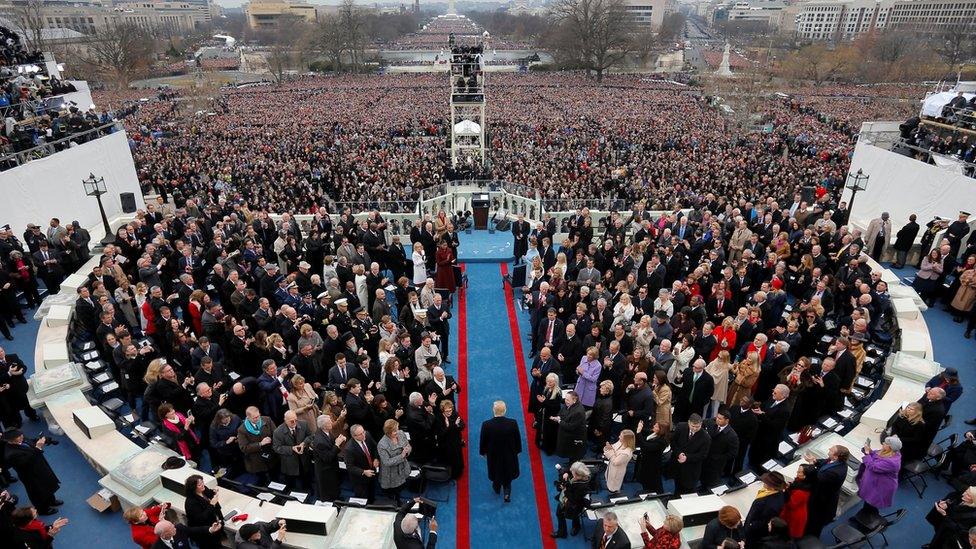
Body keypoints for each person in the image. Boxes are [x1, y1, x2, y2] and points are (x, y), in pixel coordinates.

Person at [3, 430, 61, 515]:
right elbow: (26, 463)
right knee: (38, 492)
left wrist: (47, 440)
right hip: (30, 476)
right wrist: (38, 448)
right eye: (18, 436)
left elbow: (32, 441)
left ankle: (52, 501)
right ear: (11, 440)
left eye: (21, 434)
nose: (22, 436)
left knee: (48, 485)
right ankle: (43, 510)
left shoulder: (22, 439)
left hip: (40, 468)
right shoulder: (10, 454)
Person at [479, 400, 521, 502]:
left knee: (495, 471)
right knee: (508, 472)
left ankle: (497, 488)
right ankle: (507, 493)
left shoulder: (486, 425)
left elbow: (483, 440)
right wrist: (517, 451)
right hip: (509, 454)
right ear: (505, 411)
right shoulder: (512, 423)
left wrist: (483, 452)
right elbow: (517, 439)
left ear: (493, 410)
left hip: (494, 455)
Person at [855, 435, 902, 527]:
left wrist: (868, 454)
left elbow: (873, 467)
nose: (883, 443)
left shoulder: (892, 462)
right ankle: (864, 517)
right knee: (869, 502)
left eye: (885, 443)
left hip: (881, 486)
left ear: (890, 447)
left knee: (871, 503)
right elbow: (875, 456)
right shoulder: (886, 452)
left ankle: (867, 522)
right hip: (875, 482)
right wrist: (868, 451)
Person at [804, 444, 850, 537]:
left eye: (831, 450)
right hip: (821, 494)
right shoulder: (836, 461)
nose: (829, 449)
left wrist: (811, 464)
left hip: (822, 500)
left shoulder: (835, 472)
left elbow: (816, 478)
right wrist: (815, 461)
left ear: (836, 456)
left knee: (815, 521)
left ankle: (811, 539)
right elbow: (825, 462)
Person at [743, 471, 788, 548]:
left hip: (756, 533)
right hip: (763, 530)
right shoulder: (780, 494)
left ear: (772, 487)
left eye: (766, 482)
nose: (764, 483)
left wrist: (748, 528)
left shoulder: (763, 502)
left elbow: (755, 517)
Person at [668, 414, 711, 494]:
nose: (694, 428)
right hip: (678, 464)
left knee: (688, 490)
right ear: (688, 423)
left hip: (691, 469)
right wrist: (679, 453)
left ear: (701, 424)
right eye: (693, 426)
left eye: (697, 427)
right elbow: (673, 442)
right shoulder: (680, 427)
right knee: (677, 486)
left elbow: (703, 455)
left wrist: (687, 457)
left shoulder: (706, 438)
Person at [272, 410, 312, 491]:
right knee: (291, 482)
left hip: (304, 459)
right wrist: (291, 448)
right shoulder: (278, 432)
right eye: (291, 421)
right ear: (285, 420)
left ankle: (308, 490)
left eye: (295, 420)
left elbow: (311, 436)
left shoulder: (304, 424)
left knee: (306, 478)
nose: (294, 422)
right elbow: (276, 448)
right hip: (289, 462)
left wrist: (304, 443)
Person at [551, 461, 592, 538]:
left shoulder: (582, 487)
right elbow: (569, 469)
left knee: (562, 514)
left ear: (577, 475)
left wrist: (566, 487)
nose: (571, 472)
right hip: (572, 501)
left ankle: (563, 532)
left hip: (573, 504)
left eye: (572, 472)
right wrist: (566, 472)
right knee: (574, 516)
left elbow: (573, 499)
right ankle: (576, 527)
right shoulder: (584, 475)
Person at [182, 474, 224, 549]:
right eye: (199, 485)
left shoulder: (204, 489)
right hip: (205, 532)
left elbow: (210, 493)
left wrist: (214, 492)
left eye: (202, 483)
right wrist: (211, 505)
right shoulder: (190, 503)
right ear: (193, 487)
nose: (202, 485)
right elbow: (201, 519)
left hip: (215, 522)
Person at [701, 408, 739, 489]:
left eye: (720, 419)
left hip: (716, 464)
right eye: (717, 417)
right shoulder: (711, 422)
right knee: (702, 477)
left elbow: (733, 453)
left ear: (727, 420)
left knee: (711, 482)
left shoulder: (732, 436)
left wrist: (719, 458)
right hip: (705, 458)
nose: (717, 420)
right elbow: (703, 423)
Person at [310, 414, 345, 501]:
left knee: (335, 487)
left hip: (332, 468)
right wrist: (337, 444)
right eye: (330, 423)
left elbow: (332, 445)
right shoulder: (319, 441)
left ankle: (337, 499)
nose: (332, 423)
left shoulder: (327, 432)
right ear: (324, 426)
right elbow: (328, 457)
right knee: (328, 492)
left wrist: (339, 441)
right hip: (325, 471)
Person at [378, 419, 412, 504]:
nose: (397, 432)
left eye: (397, 429)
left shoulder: (400, 433)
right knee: (393, 490)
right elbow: (387, 462)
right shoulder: (382, 444)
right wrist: (402, 456)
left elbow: (408, 445)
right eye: (394, 431)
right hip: (391, 472)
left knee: (402, 485)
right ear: (388, 432)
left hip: (402, 467)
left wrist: (407, 450)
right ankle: (394, 502)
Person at [343, 424, 379, 502]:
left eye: (363, 432)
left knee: (372, 495)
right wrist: (363, 472)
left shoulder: (367, 435)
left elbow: (375, 447)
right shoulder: (349, 449)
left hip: (372, 472)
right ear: (354, 436)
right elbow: (350, 467)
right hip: (360, 480)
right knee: (362, 499)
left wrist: (376, 458)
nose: (363, 435)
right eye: (360, 434)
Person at [779, 463, 814, 539]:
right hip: (793, 511)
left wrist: (785, 491)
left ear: (805, 476)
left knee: (786, 536)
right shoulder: (801, 482)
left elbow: (790, 504)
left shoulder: (801, 492)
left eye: (799, 472)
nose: (797, 473)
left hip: (794, 517)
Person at [636, 420, 669, 494]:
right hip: (646, 462)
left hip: (653, 466)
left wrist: (638, 432)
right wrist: (641, 426)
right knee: (645, 481)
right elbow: (646, 433)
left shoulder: (662, 441)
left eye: (656, 426)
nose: (654, 426)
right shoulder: (654, 434)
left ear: (661, 429)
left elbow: (646, 446)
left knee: (653, 484)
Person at [555, 390, 587, 462]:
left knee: (574, 454)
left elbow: (570, 427)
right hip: (569, 435)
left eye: (567, 400)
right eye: (565, 399)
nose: (565, 401)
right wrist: (559, 416)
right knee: (571, 453)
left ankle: (573, 467)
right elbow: (562, 411)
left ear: (574, 400)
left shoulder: (578, 412)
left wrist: (559, 421)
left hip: (575, 437)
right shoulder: (570, 404)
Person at [603, 429, 635, 495]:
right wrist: (609, 448)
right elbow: (613, 448)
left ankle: (614, 495)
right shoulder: (620, 442)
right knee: (608, 480)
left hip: (617, 471)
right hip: (611, 467)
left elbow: (615, 462)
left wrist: (609, 451)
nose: (619, 437)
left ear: (626, 439)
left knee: (613, 488)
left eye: (621, 436)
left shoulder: (626, 453)